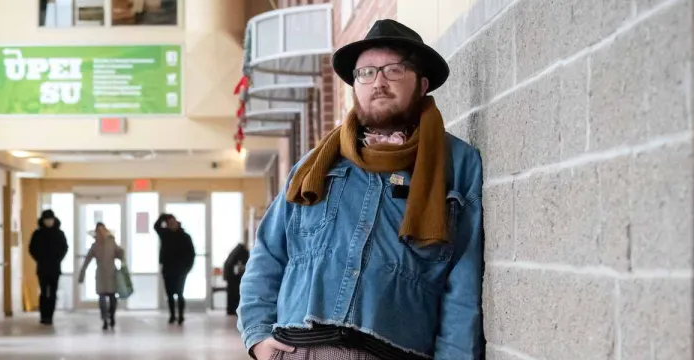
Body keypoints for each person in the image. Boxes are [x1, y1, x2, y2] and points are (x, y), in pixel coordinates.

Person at [238, 19, 485, 360]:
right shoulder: (316, 165)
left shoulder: (456, 163)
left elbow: (463, 282)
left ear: (423, 83)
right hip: (299, 349)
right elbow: (268, 253)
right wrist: (258, 338)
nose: (378, 82)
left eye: (393, 70)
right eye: (366, 72)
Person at [76, 223, 125, 331]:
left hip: (111, 274)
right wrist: (82, 274)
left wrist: (121, 254)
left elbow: (120, 254)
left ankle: (111, 316)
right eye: (98, 231)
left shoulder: (112, 243)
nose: (101, 233)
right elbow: (87, 260)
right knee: (102, 299)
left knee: (112, 299)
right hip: (101, 275)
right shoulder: (95, 246)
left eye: (102, 230)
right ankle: (104, 319)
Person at [28, 210, 69, 325]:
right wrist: (40, 259)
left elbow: (64, 248)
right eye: (46, 220)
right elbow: (32, 249)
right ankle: (43, 315)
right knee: (43, 292)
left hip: (55, 268)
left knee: (53, 293)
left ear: (54, 220)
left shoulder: (59, 234)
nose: (49, 222)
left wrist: (58, 259)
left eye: (50, 219)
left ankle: (50, 316)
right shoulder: (37, 234)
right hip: (42, 268)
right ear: (42, 221)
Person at [154, 214, 194, 325]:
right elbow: (156, 226)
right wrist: (163, 216)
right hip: (167, 269)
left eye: (173, 222)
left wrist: (187, 268)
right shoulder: (165, 235)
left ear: (177, 223)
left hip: (181, 270)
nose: (172, 225)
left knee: (180, 294)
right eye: (169, 223)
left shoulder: (185, 237)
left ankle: (181, 316)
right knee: (170, 294)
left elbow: (191, 254)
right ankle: (172, 315)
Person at [221, 241, 249, 317]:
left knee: (231, 293)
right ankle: (232, 310)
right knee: (234, 293)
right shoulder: (242, 251)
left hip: (229, 274)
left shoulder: (236, 250)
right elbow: (246, 261)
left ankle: (230, 310)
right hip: (232, 275)